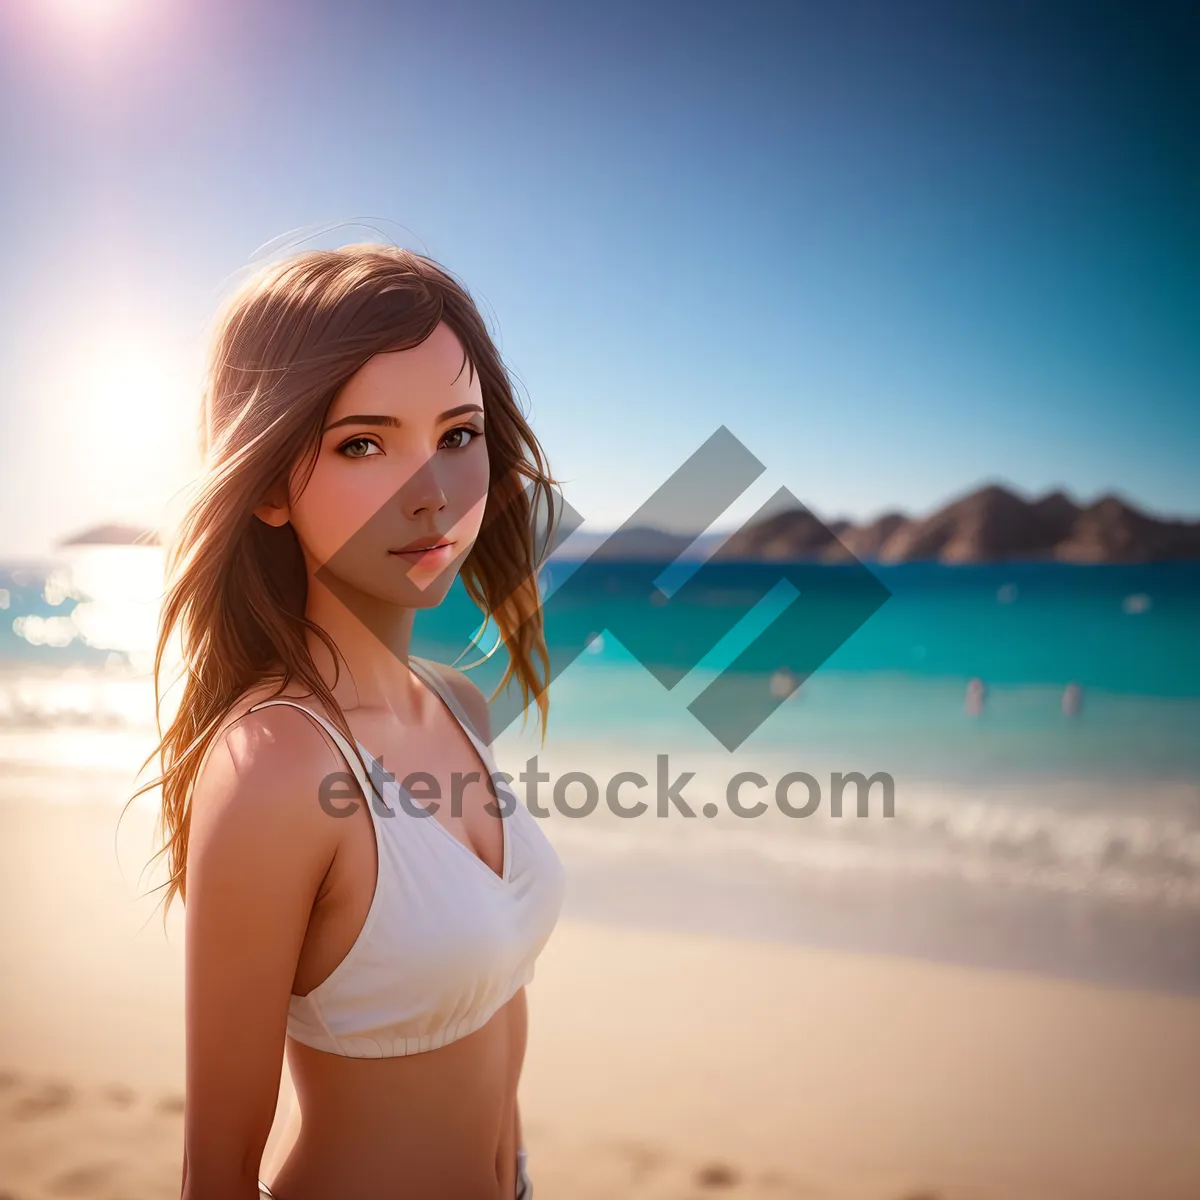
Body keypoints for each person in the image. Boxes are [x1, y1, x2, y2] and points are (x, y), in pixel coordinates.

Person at [130, 244, 567, 1199]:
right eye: (364, 443)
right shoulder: (275, 767)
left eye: (458, 435)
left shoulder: (461, 705)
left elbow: (497, 1000)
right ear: (274, 486)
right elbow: (215, 1173)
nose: (436, 493)